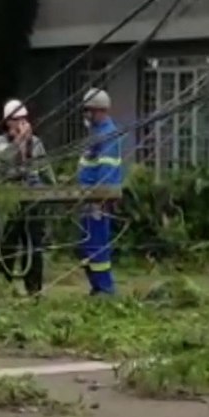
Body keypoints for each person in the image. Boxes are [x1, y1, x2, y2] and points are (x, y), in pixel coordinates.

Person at [0, 99, 49, 296]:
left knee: (33, 245)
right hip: (11, 199)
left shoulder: (36, 143)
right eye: (17, 119)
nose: (21, 123)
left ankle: (34, 289)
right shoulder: (0, 142)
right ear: (8, 122)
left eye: (24, 119)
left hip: (32, 199)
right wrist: (19, 142)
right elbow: (3, 159)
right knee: (8, 242)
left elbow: (44, 170)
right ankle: (0, 285)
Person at [77, 88, 124, 296]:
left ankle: (105, 289)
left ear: (100, 111)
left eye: (89, 111)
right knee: (86, 246)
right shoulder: (96, 135)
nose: (86, 116)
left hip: (96, 202)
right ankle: (97, 287)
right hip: (86, 200)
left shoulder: (108, 135)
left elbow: (108, 170)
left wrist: (101, 198)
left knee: (97, 246)